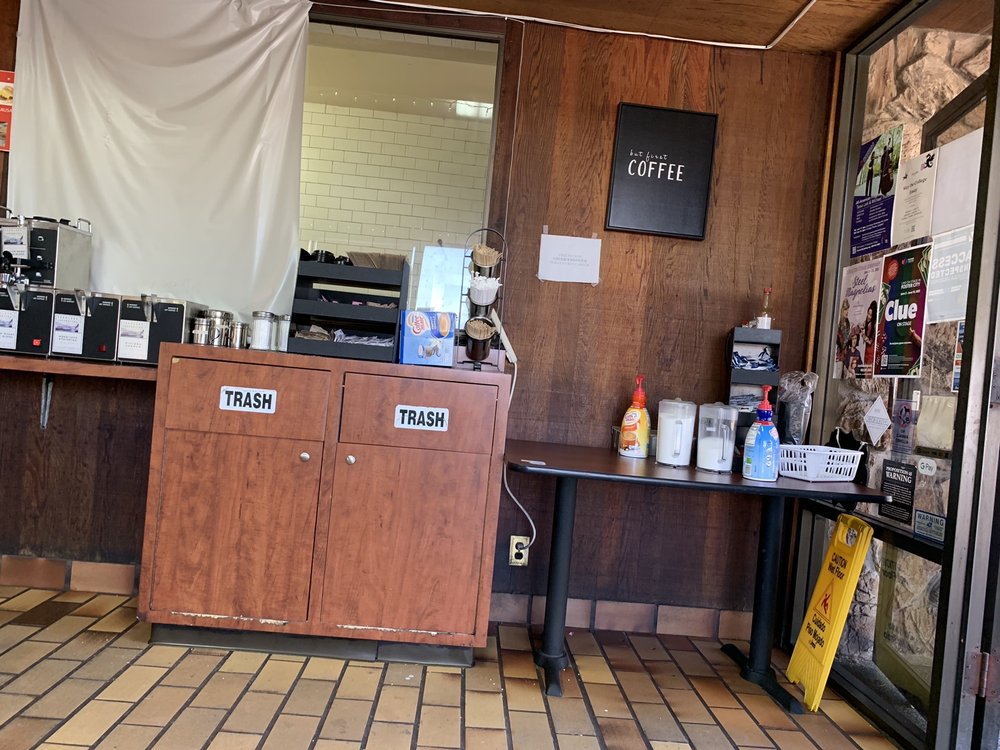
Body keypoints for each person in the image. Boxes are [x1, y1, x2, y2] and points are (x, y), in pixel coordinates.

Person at [835, 299, 851, 378]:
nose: (847, 312)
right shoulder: (838, 323)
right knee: (837, 374)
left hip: (845, 354)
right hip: (838, 353)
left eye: (847, 309)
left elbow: (847, 338)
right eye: (845, 309)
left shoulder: (848, 322)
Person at [862, 300, 877, 374]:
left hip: (871, 353)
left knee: (868, 374)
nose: (868, 316)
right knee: (866, 372)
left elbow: (870, 341)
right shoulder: (866, 323)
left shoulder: (873, 325)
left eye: (870, 315)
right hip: (867, 352)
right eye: (868, 313)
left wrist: (863, 335)